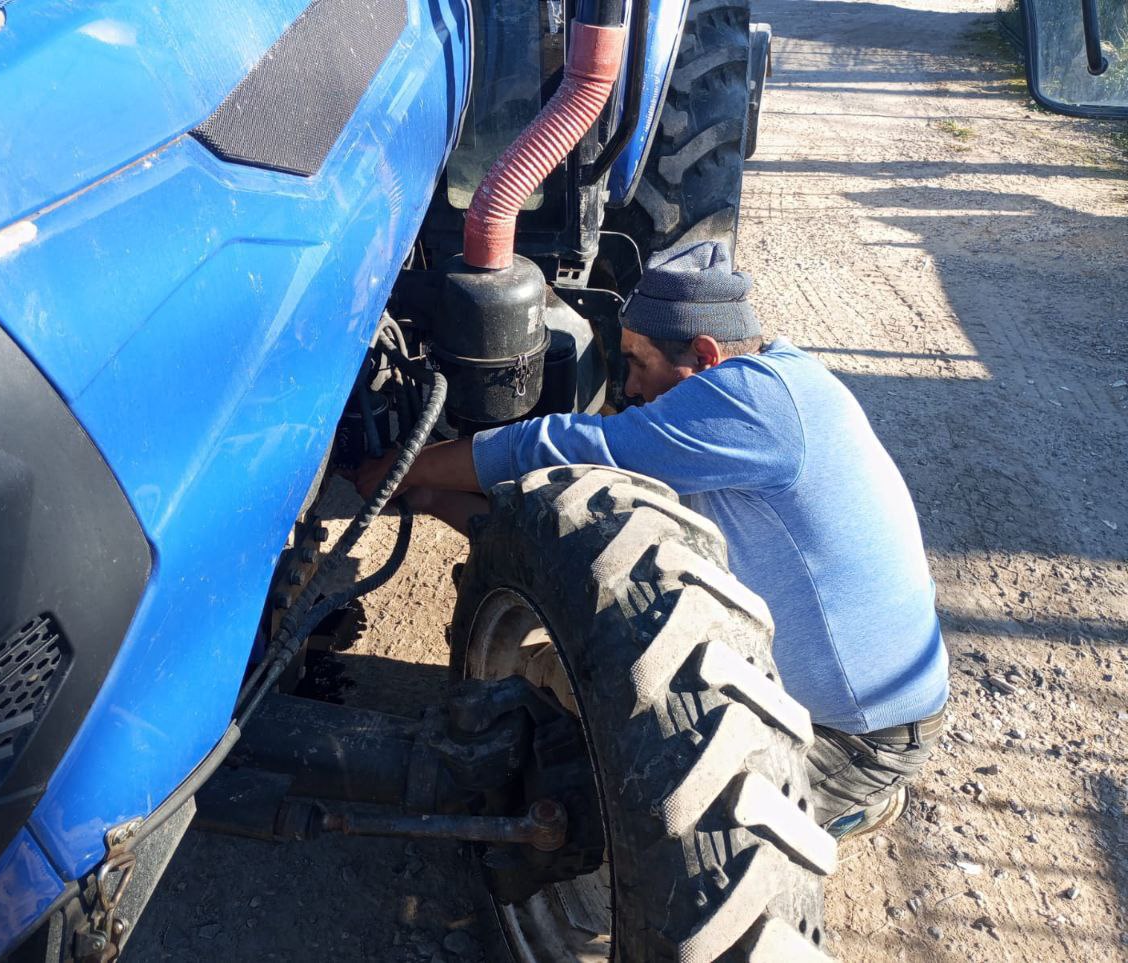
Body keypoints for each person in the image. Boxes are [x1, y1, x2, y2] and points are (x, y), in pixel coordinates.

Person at [354, 240, 949, 838]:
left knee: (628, 827)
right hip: (847, 703)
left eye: (638, 363)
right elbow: (583, 523)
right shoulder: (782, 382)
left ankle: (852, 802)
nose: (632, 387)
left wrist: (410, 465)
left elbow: (569, 449)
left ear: (705, 356)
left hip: (855, 736)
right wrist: (432, 496)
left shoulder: (750, 404)